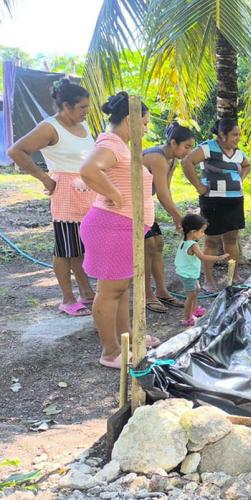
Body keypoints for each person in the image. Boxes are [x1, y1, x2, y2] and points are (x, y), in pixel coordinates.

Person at [79, 92, 159, 369]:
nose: (147, 129)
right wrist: (114, 193)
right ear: (129, 119)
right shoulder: (112, 144)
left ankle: (127, 340)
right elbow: (88, 169)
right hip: (112, 226)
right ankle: (111, 352)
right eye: (145, 123)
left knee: (120, 289)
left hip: (121, 227)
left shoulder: (120, 145)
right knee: (110, 292)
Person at [8, 78, 96, 316]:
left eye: (87, 107)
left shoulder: (83, 126)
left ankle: (86, 292)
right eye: (82, 108)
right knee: (65, 248)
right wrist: (45, 179)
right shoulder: (50, 127)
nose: (86, 112)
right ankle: (67, 299)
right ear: (66, 106)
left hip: (88, 192)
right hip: (66, 192)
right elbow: (16, 151)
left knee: (81, 246)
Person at [181, 118, 250, 291]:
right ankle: (209, 281)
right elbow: (186, 162)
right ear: (222, 134)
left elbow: (247, 165)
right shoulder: (208, 147)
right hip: (213, 201)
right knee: (211, 241)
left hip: (235, 201)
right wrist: (198, 186)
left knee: (231, 239)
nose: (238, 138)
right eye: (234, 134)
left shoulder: (238, 152)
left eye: (239, 134)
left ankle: (233, 276)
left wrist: (239, 181)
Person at [142, 123, 196, 313]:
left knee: (158, 244)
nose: (188, 151)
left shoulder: (172, 160)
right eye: (186, 147)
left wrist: (175, 217)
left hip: (144, 205)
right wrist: (179, 218)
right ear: (173, 142)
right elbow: (162, 195)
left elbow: (166, 191)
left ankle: (162, 291)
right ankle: (146, 295)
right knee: (146, 246)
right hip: (129, 205)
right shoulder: (157, 158)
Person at [175, 213, 229, 327]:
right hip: (188, 275)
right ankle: (187, 318)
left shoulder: (184, 239)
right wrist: (219, 257)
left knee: (197, 290)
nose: (203, 234)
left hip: (188, 273)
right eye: (202, 231)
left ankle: (194, 310)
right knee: (190, 296)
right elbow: (203, 257)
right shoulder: (193, 245)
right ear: (193, 231)